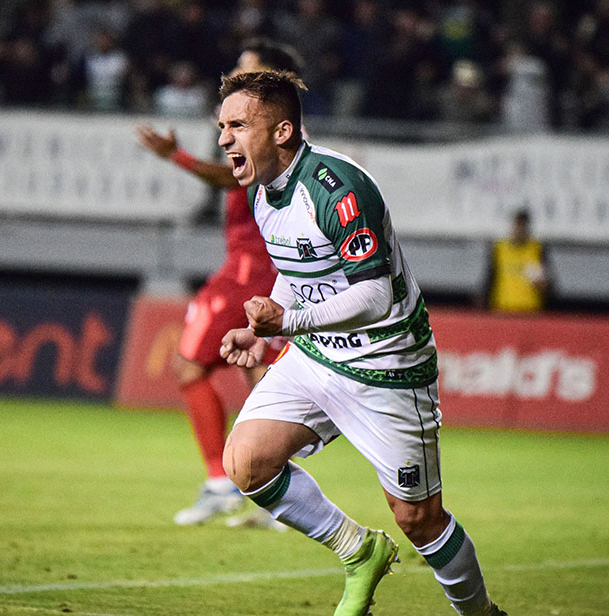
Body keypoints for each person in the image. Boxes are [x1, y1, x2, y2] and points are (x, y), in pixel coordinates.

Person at [217, 71, 508, 616]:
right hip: (319, 356)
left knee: (418, 518)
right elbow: (298, 271)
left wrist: (289, 323)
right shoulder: (262, 193)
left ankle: (482, 615)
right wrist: (263, 327)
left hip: (387, 365)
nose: (224, 138)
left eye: (238, 125)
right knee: (246, 462)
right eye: (222, 127)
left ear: (281, 132)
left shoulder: (338, 188)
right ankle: (360, 552)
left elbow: (373, 295)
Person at [134, 39, 304, 527]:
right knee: (258, 379)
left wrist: (177, 157)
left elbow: (233, 181)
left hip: (247, 273)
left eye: (247, 67)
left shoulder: (269, 132)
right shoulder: (278, 130)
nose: (236, 70)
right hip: (266, 270)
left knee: (190, 367)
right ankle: (272, 494)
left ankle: (219, 483)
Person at [478, 208, 552, 313]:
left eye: (522, 226)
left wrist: (543, 286)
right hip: (503, 309)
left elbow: (549, 285)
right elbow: (490, 278)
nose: (519, 229)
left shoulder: (537, 249)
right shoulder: (499, 248)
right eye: (517, 225)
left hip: (530, 311)